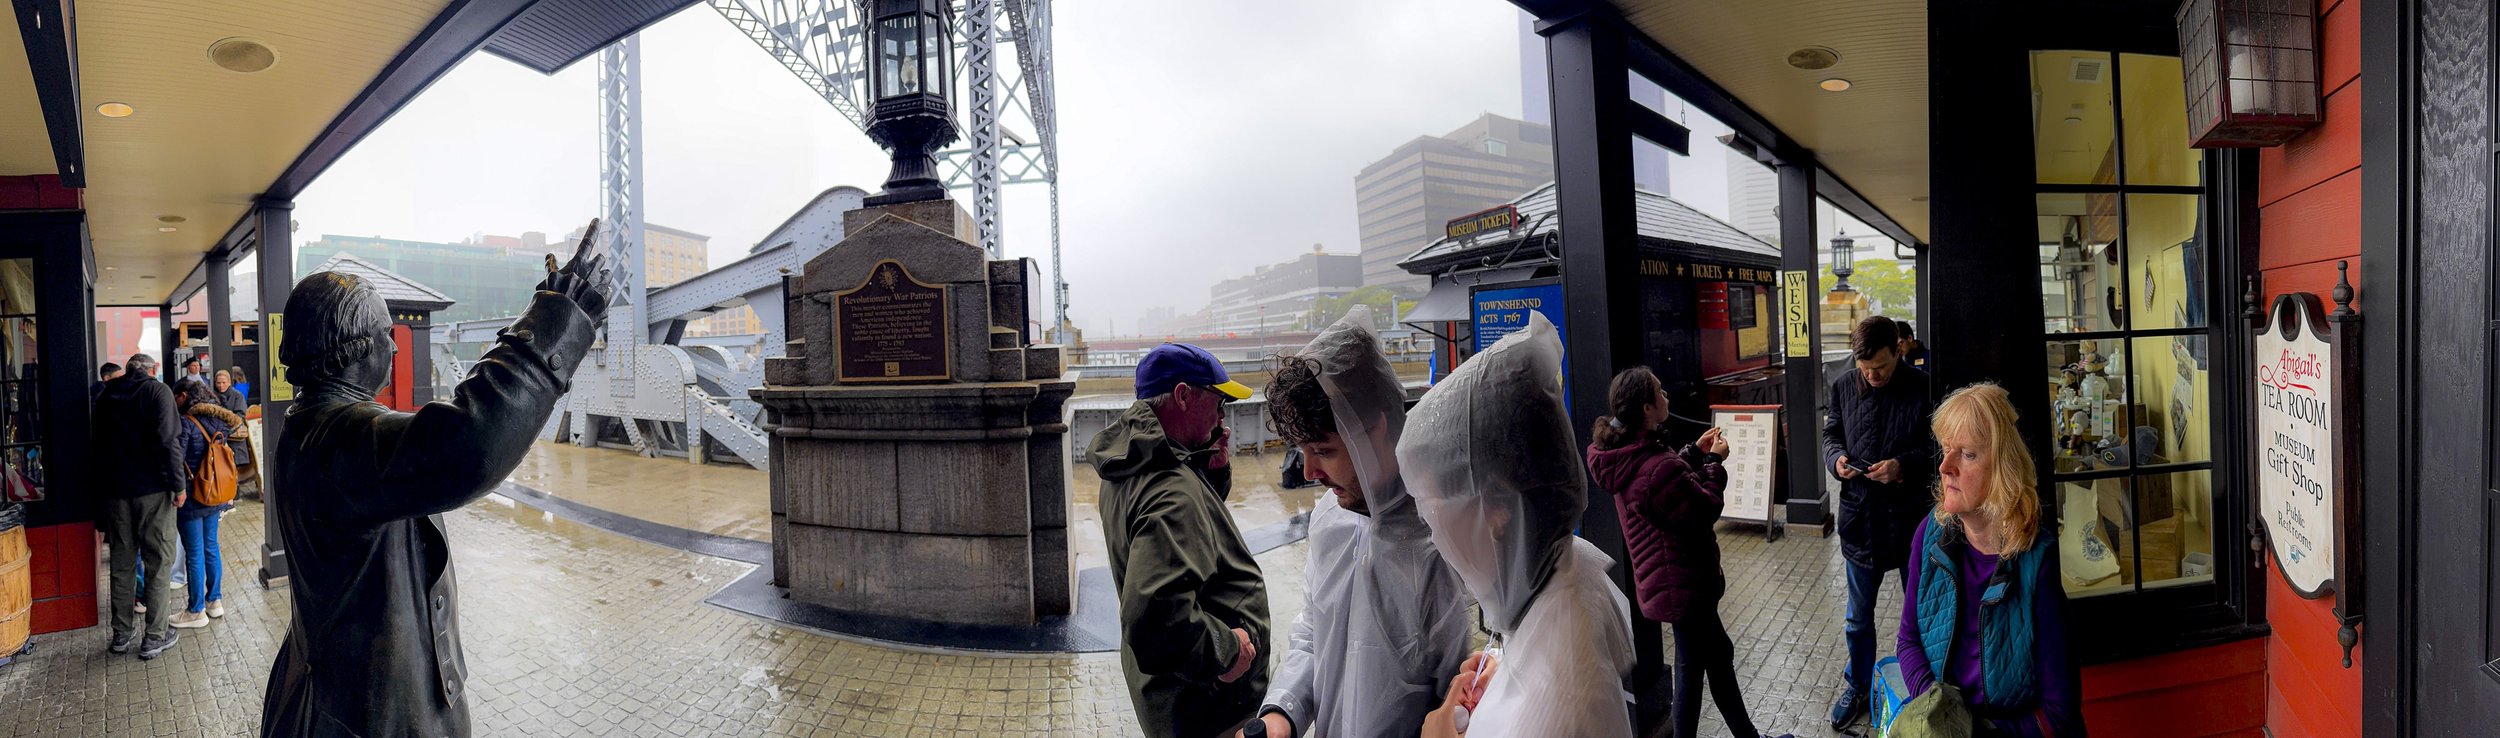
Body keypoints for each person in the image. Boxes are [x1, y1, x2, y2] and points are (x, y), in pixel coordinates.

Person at [261, 224, 609, 737]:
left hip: (341, 697)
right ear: (359, 348)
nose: (397, 350)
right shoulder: (339, 440)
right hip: (369, 719)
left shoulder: (309, 426)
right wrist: (561, 317)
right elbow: (469, 442)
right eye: (387, 336)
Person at [1403, 313, 1637, 738]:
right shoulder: (1564, 573)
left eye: (1431, 503)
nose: (1429, 527)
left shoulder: (1551, 710)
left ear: (1495, 504)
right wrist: (1506, 680)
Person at [1243, 305, 1472, 738]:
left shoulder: (1439, 544)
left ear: (1375, 430)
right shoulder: (1330, 519)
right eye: (1301, 450)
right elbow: (1312, 634)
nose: (1308, 472)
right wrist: (1281, 715)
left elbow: (1454, 695)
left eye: (1323, 451)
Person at [1585, 366, 1792, 738]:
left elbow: (1669, 484)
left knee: (1710, 660)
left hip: (1671, 581)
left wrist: (1693, 453)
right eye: (1660, 392)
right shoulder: (1654, 466)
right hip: (1683, 582)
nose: (1667, 396)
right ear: (1647, 409)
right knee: (1698, 667)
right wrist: (1715, 463)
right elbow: (1703, 507)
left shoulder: (1624, 452)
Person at [1087, 342, 1271, 738]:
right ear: (1184, 396)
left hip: (1166, 695)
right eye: (1218, 402)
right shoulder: (1173, 492)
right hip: (1204, 707)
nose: (1223, 416)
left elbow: (1186, 535)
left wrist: (1208, 469)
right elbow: (1153, 616)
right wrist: (1228, 650)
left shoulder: (1132, 460)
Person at [1895, 383, 2082, 736]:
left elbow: (2059, 715)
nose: (1945, 467)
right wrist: (1937, 712)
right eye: (1946, 450)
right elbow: (1909, 639)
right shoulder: (1929, 536)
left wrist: (1974, 733)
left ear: (2002, 470)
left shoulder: (2036, 562)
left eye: (1966, 454)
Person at [1823, 315, 1940, 731]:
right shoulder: (1841, 387)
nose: (1873, 375)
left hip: (1909, 520)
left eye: (1883, 368)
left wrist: (1902, 467)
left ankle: (1926, 685)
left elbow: (1937, 449)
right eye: (1866, 369)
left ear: (1899, 349)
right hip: (1860, 521)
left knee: (1922, 612)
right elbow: (1831, 433)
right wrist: (1836, 461)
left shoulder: (1922, 386)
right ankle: (1856, 685)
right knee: (1858, 618)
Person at [89, 353, 186, 659]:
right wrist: (179, 485)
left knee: (121, 563)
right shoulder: (158, 392)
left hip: (116, 493)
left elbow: (98, 445)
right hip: (154, 492)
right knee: (158, 561)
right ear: (153, 371)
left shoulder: (107, 396)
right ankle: (154, 636)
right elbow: (169, 441)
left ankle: (121, 635)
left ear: (128, 370)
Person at [165, 377, 241, 630]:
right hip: (215, 492)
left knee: (194, 553)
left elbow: (177, 459)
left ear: (184, 396)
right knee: (211, 547)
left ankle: (196, 610)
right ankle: (214, 601)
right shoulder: (219, 420)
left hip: (192, 494)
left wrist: (177, 490)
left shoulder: (187, 422)